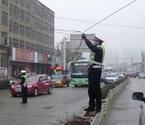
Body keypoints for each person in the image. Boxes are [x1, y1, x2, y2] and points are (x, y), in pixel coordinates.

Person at [82, 34, 105, 113]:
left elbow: (91, 47)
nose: (94, 42)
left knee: (96, 90)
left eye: (95, 41)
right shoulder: (96, 49)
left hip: (96, 71)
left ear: (98, 42)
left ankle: (98, 108)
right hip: (92, 70)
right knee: (90, 90)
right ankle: (91, 106)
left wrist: (85, 39)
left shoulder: (99, 49)